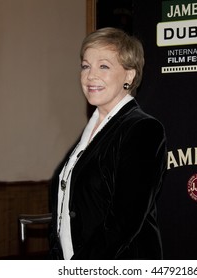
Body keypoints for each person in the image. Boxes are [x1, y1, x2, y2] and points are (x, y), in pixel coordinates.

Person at [49, 27, 167, 260]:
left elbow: (124, 223)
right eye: (86, 66)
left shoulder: (142, 130)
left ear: (129, 76)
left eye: (104, 66)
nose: (90, 76)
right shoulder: (91, 130)